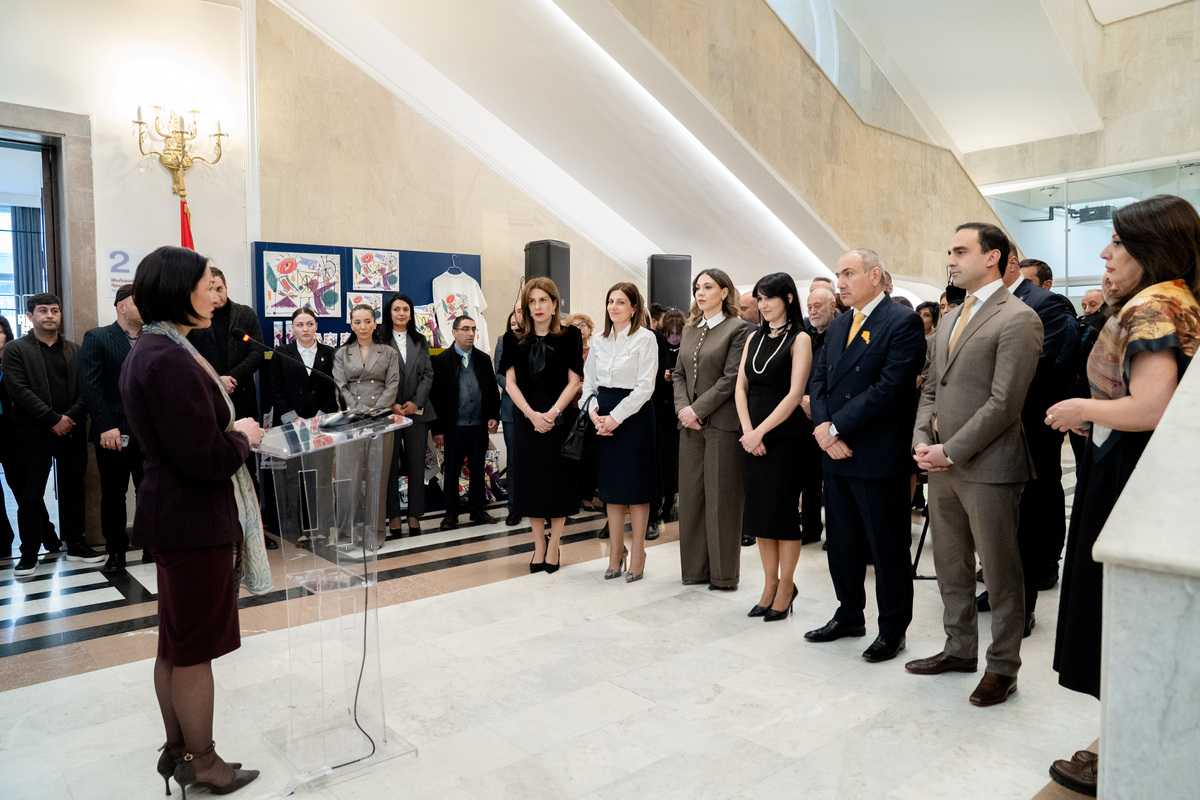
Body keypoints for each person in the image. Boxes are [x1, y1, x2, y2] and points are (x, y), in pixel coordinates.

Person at [1043, 195, 1200, 795]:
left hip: (1129, 474)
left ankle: (1122, 749)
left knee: (1116, 611)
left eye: (1117, 242)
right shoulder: (1177, 297)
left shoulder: (1156, 305)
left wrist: (1081, 408)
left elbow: (1152, 407)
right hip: (1138, 467)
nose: (1106, 254)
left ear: (1151, 248)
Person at [120, 246, 262, 796]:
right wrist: (242, 437)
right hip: (192, 518)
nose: (215, 295)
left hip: (176, 514)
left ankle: (179, 749)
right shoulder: (169, 358)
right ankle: (202, 762)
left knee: (175, 643)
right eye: (207, 284)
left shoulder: (159, 346)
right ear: (181, 291)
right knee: (193, 648)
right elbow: (203, 456)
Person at [907, 223, 1043, 707]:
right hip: (941, 464)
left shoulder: (1019, 318)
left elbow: (1005, 404)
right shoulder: (949, 319)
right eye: (949, 251)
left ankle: (1003, 667)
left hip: (989, 466)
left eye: (960, 251)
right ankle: (959, 648)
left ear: (992, 257)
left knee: (1001, 574)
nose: (950, 259)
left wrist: (951, 450)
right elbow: (930, 388)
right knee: (950, 565)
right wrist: (923, 439)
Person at [806, 250, 926, 659]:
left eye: (848, 273)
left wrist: (835, 427)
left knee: (886, 547)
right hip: (835, 452)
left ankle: (892, 628)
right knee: (842, 543)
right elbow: (818, 381)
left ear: (875, 276)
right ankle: (848, 614)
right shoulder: (840, 324)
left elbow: (890, 389)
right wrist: (824, 430)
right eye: (837, 274)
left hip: (876, 453)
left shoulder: (901, 321)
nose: (839, 282)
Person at [980, 247, 1079, 620]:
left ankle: (1034, 583)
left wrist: (986, 384)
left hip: (1030, 423)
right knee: (999, 512)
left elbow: (1045, 363)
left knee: (1033, 506)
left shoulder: (1047, 304)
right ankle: (999, 586)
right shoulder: (986, 303)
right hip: (990, 422)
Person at [5, 292, 102, 577]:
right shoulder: (16, 349)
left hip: (72, 429)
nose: (50, 315)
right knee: (31, 494)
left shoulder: (75, 349)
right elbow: (18, 390)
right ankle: (29, 553)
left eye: (55, 310)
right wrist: (52, 419)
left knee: (74, 489)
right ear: (30, 316)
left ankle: (76, 545)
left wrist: (68, 418)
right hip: (33, 432)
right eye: (43, 310)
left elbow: (87, 388)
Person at [735, 272, 811, 620]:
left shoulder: (800, 339)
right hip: (752, 436)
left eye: (769, 298)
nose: (763, 305)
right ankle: (769, 584)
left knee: (782, 515)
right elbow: (741, 387)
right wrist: (748, 431)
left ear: (788, 299)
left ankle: (786, 586)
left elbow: (796, 395)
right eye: (760, 299)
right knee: (760, 515)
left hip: (785, 437)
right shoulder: (754, 337)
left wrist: (761, 432)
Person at [498, 278, 583, 573]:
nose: (537, 307)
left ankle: (554, 544)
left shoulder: (570, 335)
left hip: (559, 421)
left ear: (554, 304)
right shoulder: (512, 338)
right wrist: (531, 415)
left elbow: (575, 381)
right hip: (526, 421)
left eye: (543, 300)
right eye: (532, 301)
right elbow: (510, 383)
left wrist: (552, 413)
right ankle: (538, 545)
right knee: (531, 483)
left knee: (558, 484)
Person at [674, 268, 748, 591]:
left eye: (707, 287)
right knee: (691, 499)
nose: (700, 293)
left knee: (721, 502)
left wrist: (697, 409)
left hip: (722, 425)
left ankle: (723, 575)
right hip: (689, 426)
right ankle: (694, 570)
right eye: (697, 288)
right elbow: (678, 374)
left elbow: (731, 379)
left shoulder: (737, 328)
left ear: (724, 292)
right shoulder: (690, 328)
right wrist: (683, 410)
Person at [187, 267, 271, 545]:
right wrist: (217, 381)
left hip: (242, 397)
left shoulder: (244, 314)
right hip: (209, 400)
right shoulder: (196, 317)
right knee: (217, 465)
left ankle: (256, 532)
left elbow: (258, 351)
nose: (216, 295)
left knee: (247, 466)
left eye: (220, 288)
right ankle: (225, 532)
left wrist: (232, 377)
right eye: (210, 289)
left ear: (227, 287)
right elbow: (188, 356)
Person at [582, 282, 658, 582]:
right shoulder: (599, 341)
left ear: (634, 308)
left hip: (634, 419)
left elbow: (645, 388)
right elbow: (588, 386)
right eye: (610, 301)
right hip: (602, 417)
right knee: (611, 491)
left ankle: (638, 552)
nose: (613, 307)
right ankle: (616, 552)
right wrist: (594, 415)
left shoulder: (646, 338)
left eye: (621, 302)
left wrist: (615, 417)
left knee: (636, 490)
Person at [78, 284, 145, 574]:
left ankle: (151, 546)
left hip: (149, 435)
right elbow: (90, 386)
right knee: (114, 495)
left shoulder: (154, 338)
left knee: (149, 492)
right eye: (139, 301)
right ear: (121, 306)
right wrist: (107, 427)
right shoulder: (98, 337)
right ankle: (116, 551)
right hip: (113, 433)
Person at [266, 307, 339, 548]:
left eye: (309, 324)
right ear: (293, 328)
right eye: (300, 325)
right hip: (291, 426)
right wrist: (292, 418)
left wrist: (319, 417)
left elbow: (334, 388)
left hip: (320, 424)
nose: (305, 329)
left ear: (316, 326)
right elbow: (274, 389)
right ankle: (295, 530)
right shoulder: (281, 353)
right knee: (292, 477)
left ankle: (321, 530)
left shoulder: (329, 353)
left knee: (321, 477)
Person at [333, 304, 399, 547]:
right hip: (351, 420)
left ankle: (374, 534)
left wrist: (375, 411)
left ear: (375, 323)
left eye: (367, 321)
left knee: (376, 479)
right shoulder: (341, 353)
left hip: (381, 421)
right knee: (347, 480)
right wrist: (357, 410)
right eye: (357, 322)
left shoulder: (388, 353)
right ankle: (345, 534)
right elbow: (340, 386)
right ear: (351, 325)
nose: (363, 327)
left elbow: (392, 385)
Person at [430, 315, 501, 530]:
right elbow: (436, 397)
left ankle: (477, 510)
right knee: (452, 469)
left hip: (478, 425)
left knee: (478, 469)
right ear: (454, 332)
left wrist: (493, 416)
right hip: (454, 427)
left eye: (473, 329)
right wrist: (438, 429)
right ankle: (451, 513)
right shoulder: (442, 360)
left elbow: (491, 391)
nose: (471, 333)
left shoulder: (483, 359)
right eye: (465, 329)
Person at [379, 293, 435, 537]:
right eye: (396, 309)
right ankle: (393, 515)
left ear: (411, 314)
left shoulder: (420, 340)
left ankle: (414, 515)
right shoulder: (379, 339)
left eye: (405, 309)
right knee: (390, 465)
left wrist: (416, 402)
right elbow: (377, 376)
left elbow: (428, 375)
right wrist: (391, 404)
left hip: (417, 412)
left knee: (416, 464)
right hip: (389, 412)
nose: (401, 313)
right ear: (389, 313)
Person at [798, 286, 839, 545]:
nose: (812, 311)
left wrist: (816, 402)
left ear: (832, 306)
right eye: (810, 306)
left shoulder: (841, 332)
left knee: (831, 481)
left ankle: (835, 534)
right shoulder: (806, 334)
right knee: (808, 475)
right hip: (803, 414)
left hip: (831, 415)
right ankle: (811, 527)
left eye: (818, 306)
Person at [649, 308, 684, 539]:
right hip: (661, 413)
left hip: (678, 413)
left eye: (677, 333)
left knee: (675, 458)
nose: (674, 337)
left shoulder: (686, 348)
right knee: (662, 459)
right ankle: (666, 498)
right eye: (670, 333)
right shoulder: (659, 346)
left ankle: (672, 498)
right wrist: (664, 378)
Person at [566, 312, 600, 514]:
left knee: (589, 455)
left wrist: (580, 386)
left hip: (591, 410)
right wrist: (579, 386)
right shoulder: (567, 353)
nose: (579, 329)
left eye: (582, 325)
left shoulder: (596, 351)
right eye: (574, 326)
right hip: (570, 409)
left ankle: (586, 496)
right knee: (571, 454)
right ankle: (571, 496)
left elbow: (595, 381)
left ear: (589, 328)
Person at [495, 309, 522, 526]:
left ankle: (539, 504)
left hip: (537, 409)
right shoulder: (502, 341)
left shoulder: (537, 340)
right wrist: (517, 390)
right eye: (512, 323)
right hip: (511, 409)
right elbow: (499, 373)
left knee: (536, 461)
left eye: (519, 322)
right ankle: (514, 508)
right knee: (513, 462)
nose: (516, 326)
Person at [0, 316, 18, 555]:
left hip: (14, 432)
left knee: (22, 487)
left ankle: (46, 536)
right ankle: (3, 541)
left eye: (0, 331)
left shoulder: (15, 360)